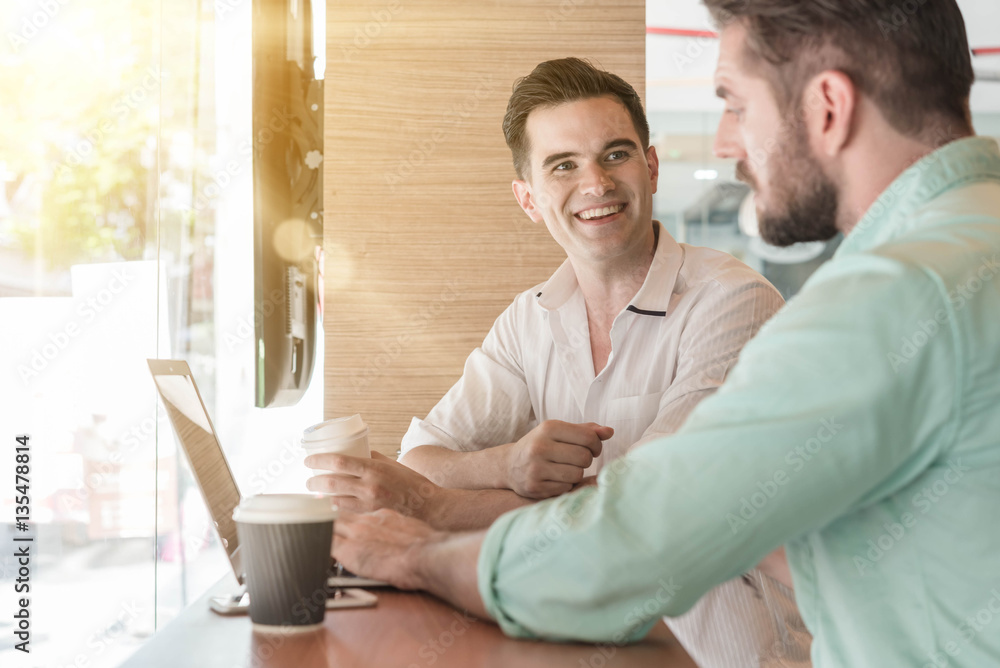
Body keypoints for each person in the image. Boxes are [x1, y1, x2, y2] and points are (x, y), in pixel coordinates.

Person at [331, 1, 1000, 667]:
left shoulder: (894, 295)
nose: (723, 143)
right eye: (561, 164)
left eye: (735, 104)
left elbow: (642, 538)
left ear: (828, 105)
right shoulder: (965, 247)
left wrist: (417, 548)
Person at [308, 59, 811, 666]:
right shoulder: (531, 318)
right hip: (587, 642)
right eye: (563, 165)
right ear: (528, 198)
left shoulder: (733, 302)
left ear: (650, 167)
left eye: (616, 154)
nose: (595, 183)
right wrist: (508, 462)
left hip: (728, 652)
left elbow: (650, 512)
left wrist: (436, 510)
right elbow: (422, 457)